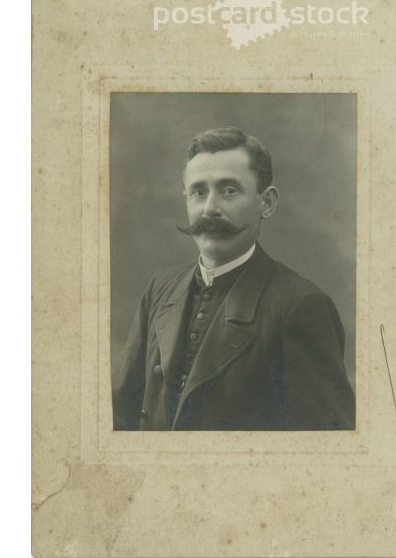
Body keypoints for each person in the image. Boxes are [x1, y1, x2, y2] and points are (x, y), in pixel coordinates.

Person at [112, 126, 355, 430]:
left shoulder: (300, 307)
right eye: (199, 192)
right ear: (186, 198)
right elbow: (119, 417)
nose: (210, 208)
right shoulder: (160, 292)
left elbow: (321, 447)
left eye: (229, 191)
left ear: (266, 203)